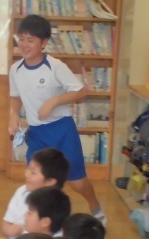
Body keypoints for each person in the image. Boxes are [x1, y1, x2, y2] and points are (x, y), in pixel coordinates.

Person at [8, 14, 105, 223]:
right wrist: (13, 114)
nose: (24, 44)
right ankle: (41, 223)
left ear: (43, 43)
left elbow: (81, 91)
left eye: (30, 40)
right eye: (21, 39)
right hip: (37, 134)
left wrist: (54, 101)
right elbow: (15, 97)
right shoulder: (15, 70)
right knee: (36, 180)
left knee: (77, 182)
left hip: (62, 130)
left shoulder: (55, 66)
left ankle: (95, 206)